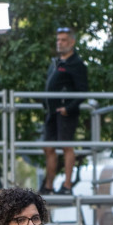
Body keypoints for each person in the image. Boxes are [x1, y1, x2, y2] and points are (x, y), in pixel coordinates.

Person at [40, 28, 89, 196]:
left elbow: (83, 91)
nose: (60, 43)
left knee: (66, 146)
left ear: (72, 42)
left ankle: (67, 185)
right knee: (48, 147)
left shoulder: (77, 64)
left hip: (65, 113)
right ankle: (49, 186)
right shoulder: (56, 63)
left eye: (64, 40)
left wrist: (68, 108)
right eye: (58, 40)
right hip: (51, 112)